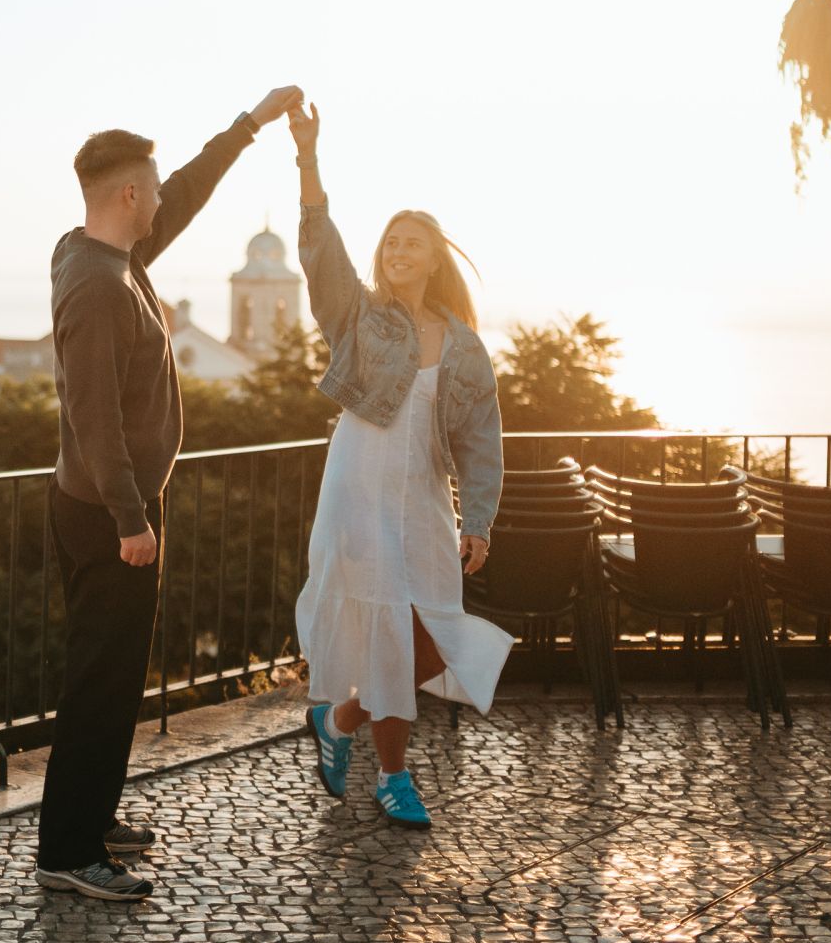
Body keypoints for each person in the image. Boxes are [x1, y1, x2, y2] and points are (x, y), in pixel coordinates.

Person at [34, 85, 303, 901]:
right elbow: (93, 416)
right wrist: (129, 516)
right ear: (125, 195)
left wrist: (249, 127)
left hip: (109, 507)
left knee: (117, 679)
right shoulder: (98, 287)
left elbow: (184, 191)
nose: (160, 200)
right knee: (98, 683)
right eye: (148, 188)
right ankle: (67, 853)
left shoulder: (101, 254)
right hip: (103, 514)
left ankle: (95, 816)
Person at [288, 100, 511, 828]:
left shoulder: (464, 344)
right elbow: (322, 249)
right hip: (356, 485)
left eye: (410, 242)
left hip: (421, 494)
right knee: (387, 620)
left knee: (432, 629)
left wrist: (477, 517)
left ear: (435, 256)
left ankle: (341, 721)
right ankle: (394, 778)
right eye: (389, 242)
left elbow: (482, 437)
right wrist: (309, 158)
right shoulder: (360, 315)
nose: (396, 251)